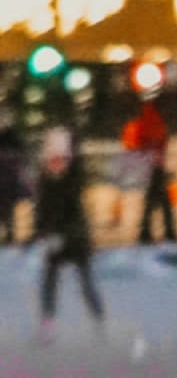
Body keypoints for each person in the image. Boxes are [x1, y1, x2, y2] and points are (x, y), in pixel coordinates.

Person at [30, 126, 102, 326]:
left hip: (75, 240)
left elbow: (72, 214)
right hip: (55, 241)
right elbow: (42, 210)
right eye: (52, 160)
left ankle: (98, 319)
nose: (56, 164)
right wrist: (39, 232)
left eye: (60, 160)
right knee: (49, 280)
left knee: (86, 281)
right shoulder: (45, 182)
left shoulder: (72, 180)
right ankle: (47, 321)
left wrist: (61, 235)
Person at [122, 92, 177, 245]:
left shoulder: (148, 118)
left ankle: (148, 232)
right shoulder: (154, 119)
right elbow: (155, 141)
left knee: (154, 201)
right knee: (161, 202)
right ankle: (165, 232)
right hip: (154, 166)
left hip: (151, 165)